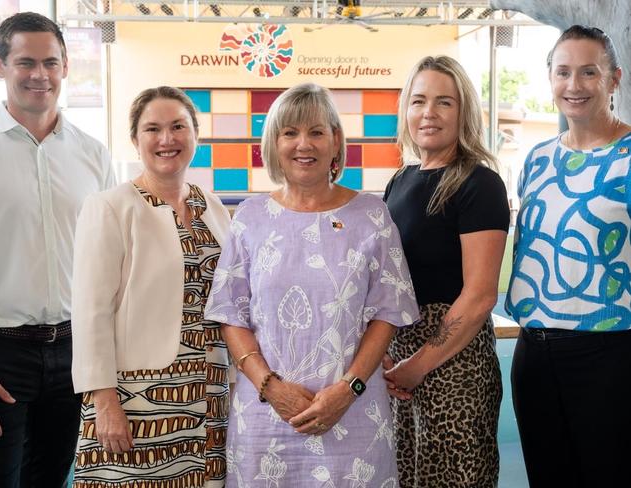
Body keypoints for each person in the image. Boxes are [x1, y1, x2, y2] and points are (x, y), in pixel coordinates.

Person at [204, 82, 419, 487]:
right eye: (290, 132)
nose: (304, 144)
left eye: (317, 132)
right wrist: (271, 388)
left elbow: (388, 313)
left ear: (336, 142)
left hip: (354, 414)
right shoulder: (250, 218)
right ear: (274, 143)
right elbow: (230, 314)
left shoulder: (372, 215)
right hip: (265, 420)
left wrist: (348, 389)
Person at [70, 86, 231, 486]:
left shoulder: (212, 206)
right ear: (134, 139)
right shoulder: (110, 206)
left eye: (178, 126)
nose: (167, 139)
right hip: (135, 395)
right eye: (152, 129)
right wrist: (103, 400)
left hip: (209, 388)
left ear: (196, 133)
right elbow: (91, 312)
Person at [0, 12, 115, 487]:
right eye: (25, 62)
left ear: (65, 68)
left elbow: (111, 260)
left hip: (74, 353)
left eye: (51, 63)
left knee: (54, 479)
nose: (40, 75)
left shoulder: (93, 154)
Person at [506, 25, 631, 487]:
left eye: (588, 72)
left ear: (614, 79)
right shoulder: (537, 161)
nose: (573, 85)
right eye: (563, 72)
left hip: (611, 355)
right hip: (534, 352)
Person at [382, 55, 509, 487]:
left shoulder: (479, 183)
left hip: (457, 365)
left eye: (444, 102)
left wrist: (421, 362)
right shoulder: (400, 181)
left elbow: (479, 297)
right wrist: (384, 352)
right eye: (419, 101)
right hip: (403, 360)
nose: (429, 113)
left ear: (463, 112)